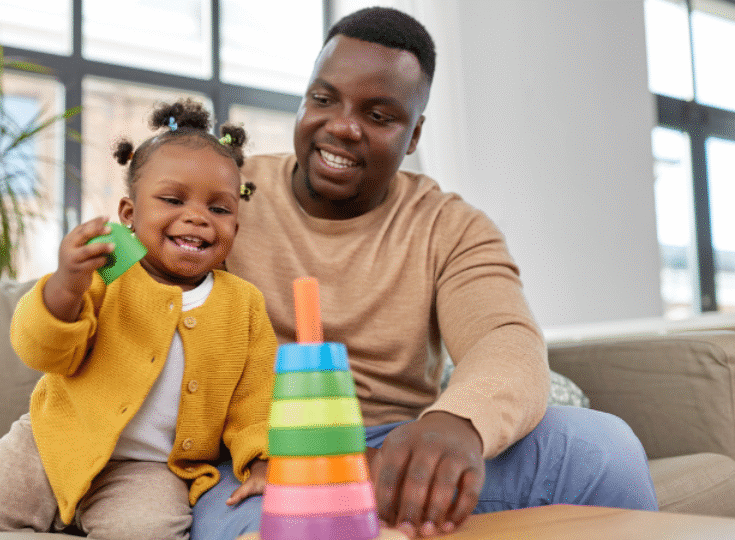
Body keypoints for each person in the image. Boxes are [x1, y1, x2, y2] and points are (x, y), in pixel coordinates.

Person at [190, 7, 659, 540]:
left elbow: (503, 337)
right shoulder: (226, 193)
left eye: (379, 114)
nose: (341, 126)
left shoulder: (449, 225)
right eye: (323, 99)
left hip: (401, 452)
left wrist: (458, 422)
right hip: (261, 460)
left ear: (414, 136)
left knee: (604, 448)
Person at [0, 99, 276, 540]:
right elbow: (42, 351)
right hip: (54, 443)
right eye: (172, 199)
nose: (197, 217)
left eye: (220, 209)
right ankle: (62, 509)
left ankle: (73, 516)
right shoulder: (110, 270)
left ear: (236, 226)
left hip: (146, 468)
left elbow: (256, 400)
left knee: (148, 531)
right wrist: (67, 284)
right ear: (129, 215)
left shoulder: (243, 303)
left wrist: (263, 461)